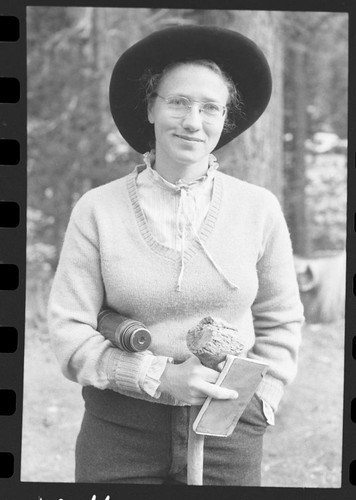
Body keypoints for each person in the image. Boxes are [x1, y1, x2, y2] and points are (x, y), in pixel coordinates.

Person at [47, 25, 304, 486]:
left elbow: (280, 316)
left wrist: (264, 397)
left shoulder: (258, 208)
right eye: (178, 102)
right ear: (151, 107)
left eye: (210, 108)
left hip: (230, 427)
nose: (193, 121)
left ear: (226, 118)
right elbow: (69, 331)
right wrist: (158, 378)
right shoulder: (98, 210)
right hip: (119, 432)